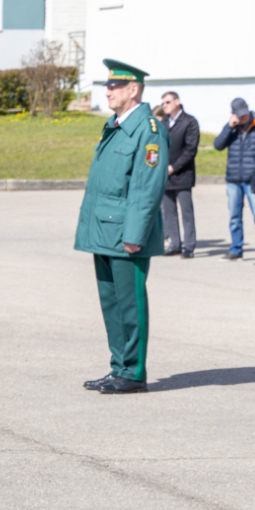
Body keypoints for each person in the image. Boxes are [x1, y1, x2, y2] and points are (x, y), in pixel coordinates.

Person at [75, 59, 167, 395]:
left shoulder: (149, 130)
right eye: (107, 86)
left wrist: (134, 235)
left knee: (131, 304)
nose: (108, 91)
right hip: (104, 231)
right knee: (111, 303)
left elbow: (147, 188)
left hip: (126, 235)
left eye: (114, 86)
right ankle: (119, 368)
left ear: (133, 90)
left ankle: (134, 372)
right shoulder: (116, 124)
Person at [212, 97, 255, 261]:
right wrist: (229, 127)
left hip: (253, 180)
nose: (243, 117)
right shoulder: (233, 127)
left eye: (244, 114)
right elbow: (218, 145)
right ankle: (236, 249)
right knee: (234, 217)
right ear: (233, 114)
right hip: (234, 179)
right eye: (239, 115)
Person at [157, 91, 198, 257]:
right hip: (165, 176)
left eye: (167, 102)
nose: (164, 106)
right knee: (169, 212)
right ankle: (174, 244)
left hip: (182, 175)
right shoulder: (164, 122)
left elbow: (190, 149)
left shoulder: (189, 122)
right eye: (163, 103)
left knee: (186, 212)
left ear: (177, 102)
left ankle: (189, 246)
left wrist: (174, 167)